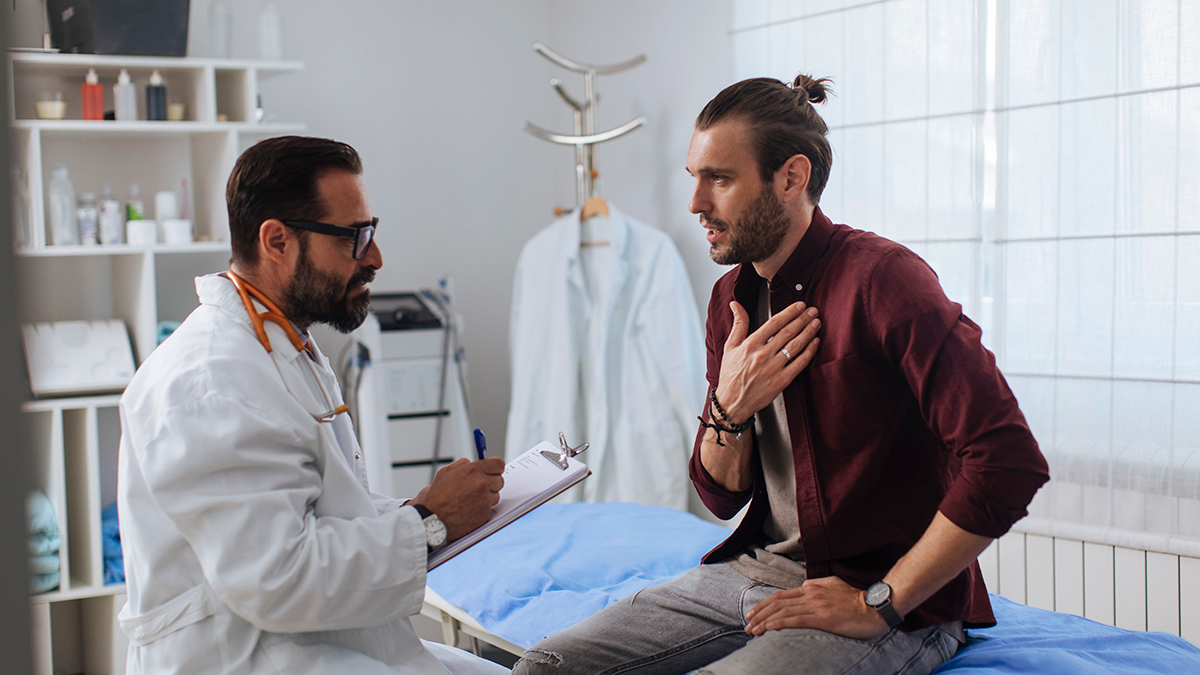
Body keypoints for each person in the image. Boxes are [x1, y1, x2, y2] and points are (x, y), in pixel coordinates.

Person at [512, 76, 1050, 675]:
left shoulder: (884, 280)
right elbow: (720, 495)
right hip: (751, 573)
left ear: (791, 178)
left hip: (881, 597)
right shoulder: (729, 301)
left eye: (719, 179)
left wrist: (879, 603)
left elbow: (1008, 460)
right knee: (546, 666)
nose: (695, 203)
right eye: (694, 177)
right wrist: (730, 406)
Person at [117, 136, 509, 675]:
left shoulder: (281, 346)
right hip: (245, 657)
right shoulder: (213, 381)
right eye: (355, 238)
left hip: (320, 640)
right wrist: (430, 522)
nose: (375, 258)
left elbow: (324, 509)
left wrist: (422, 507)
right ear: (277, 241)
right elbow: (277, 579)